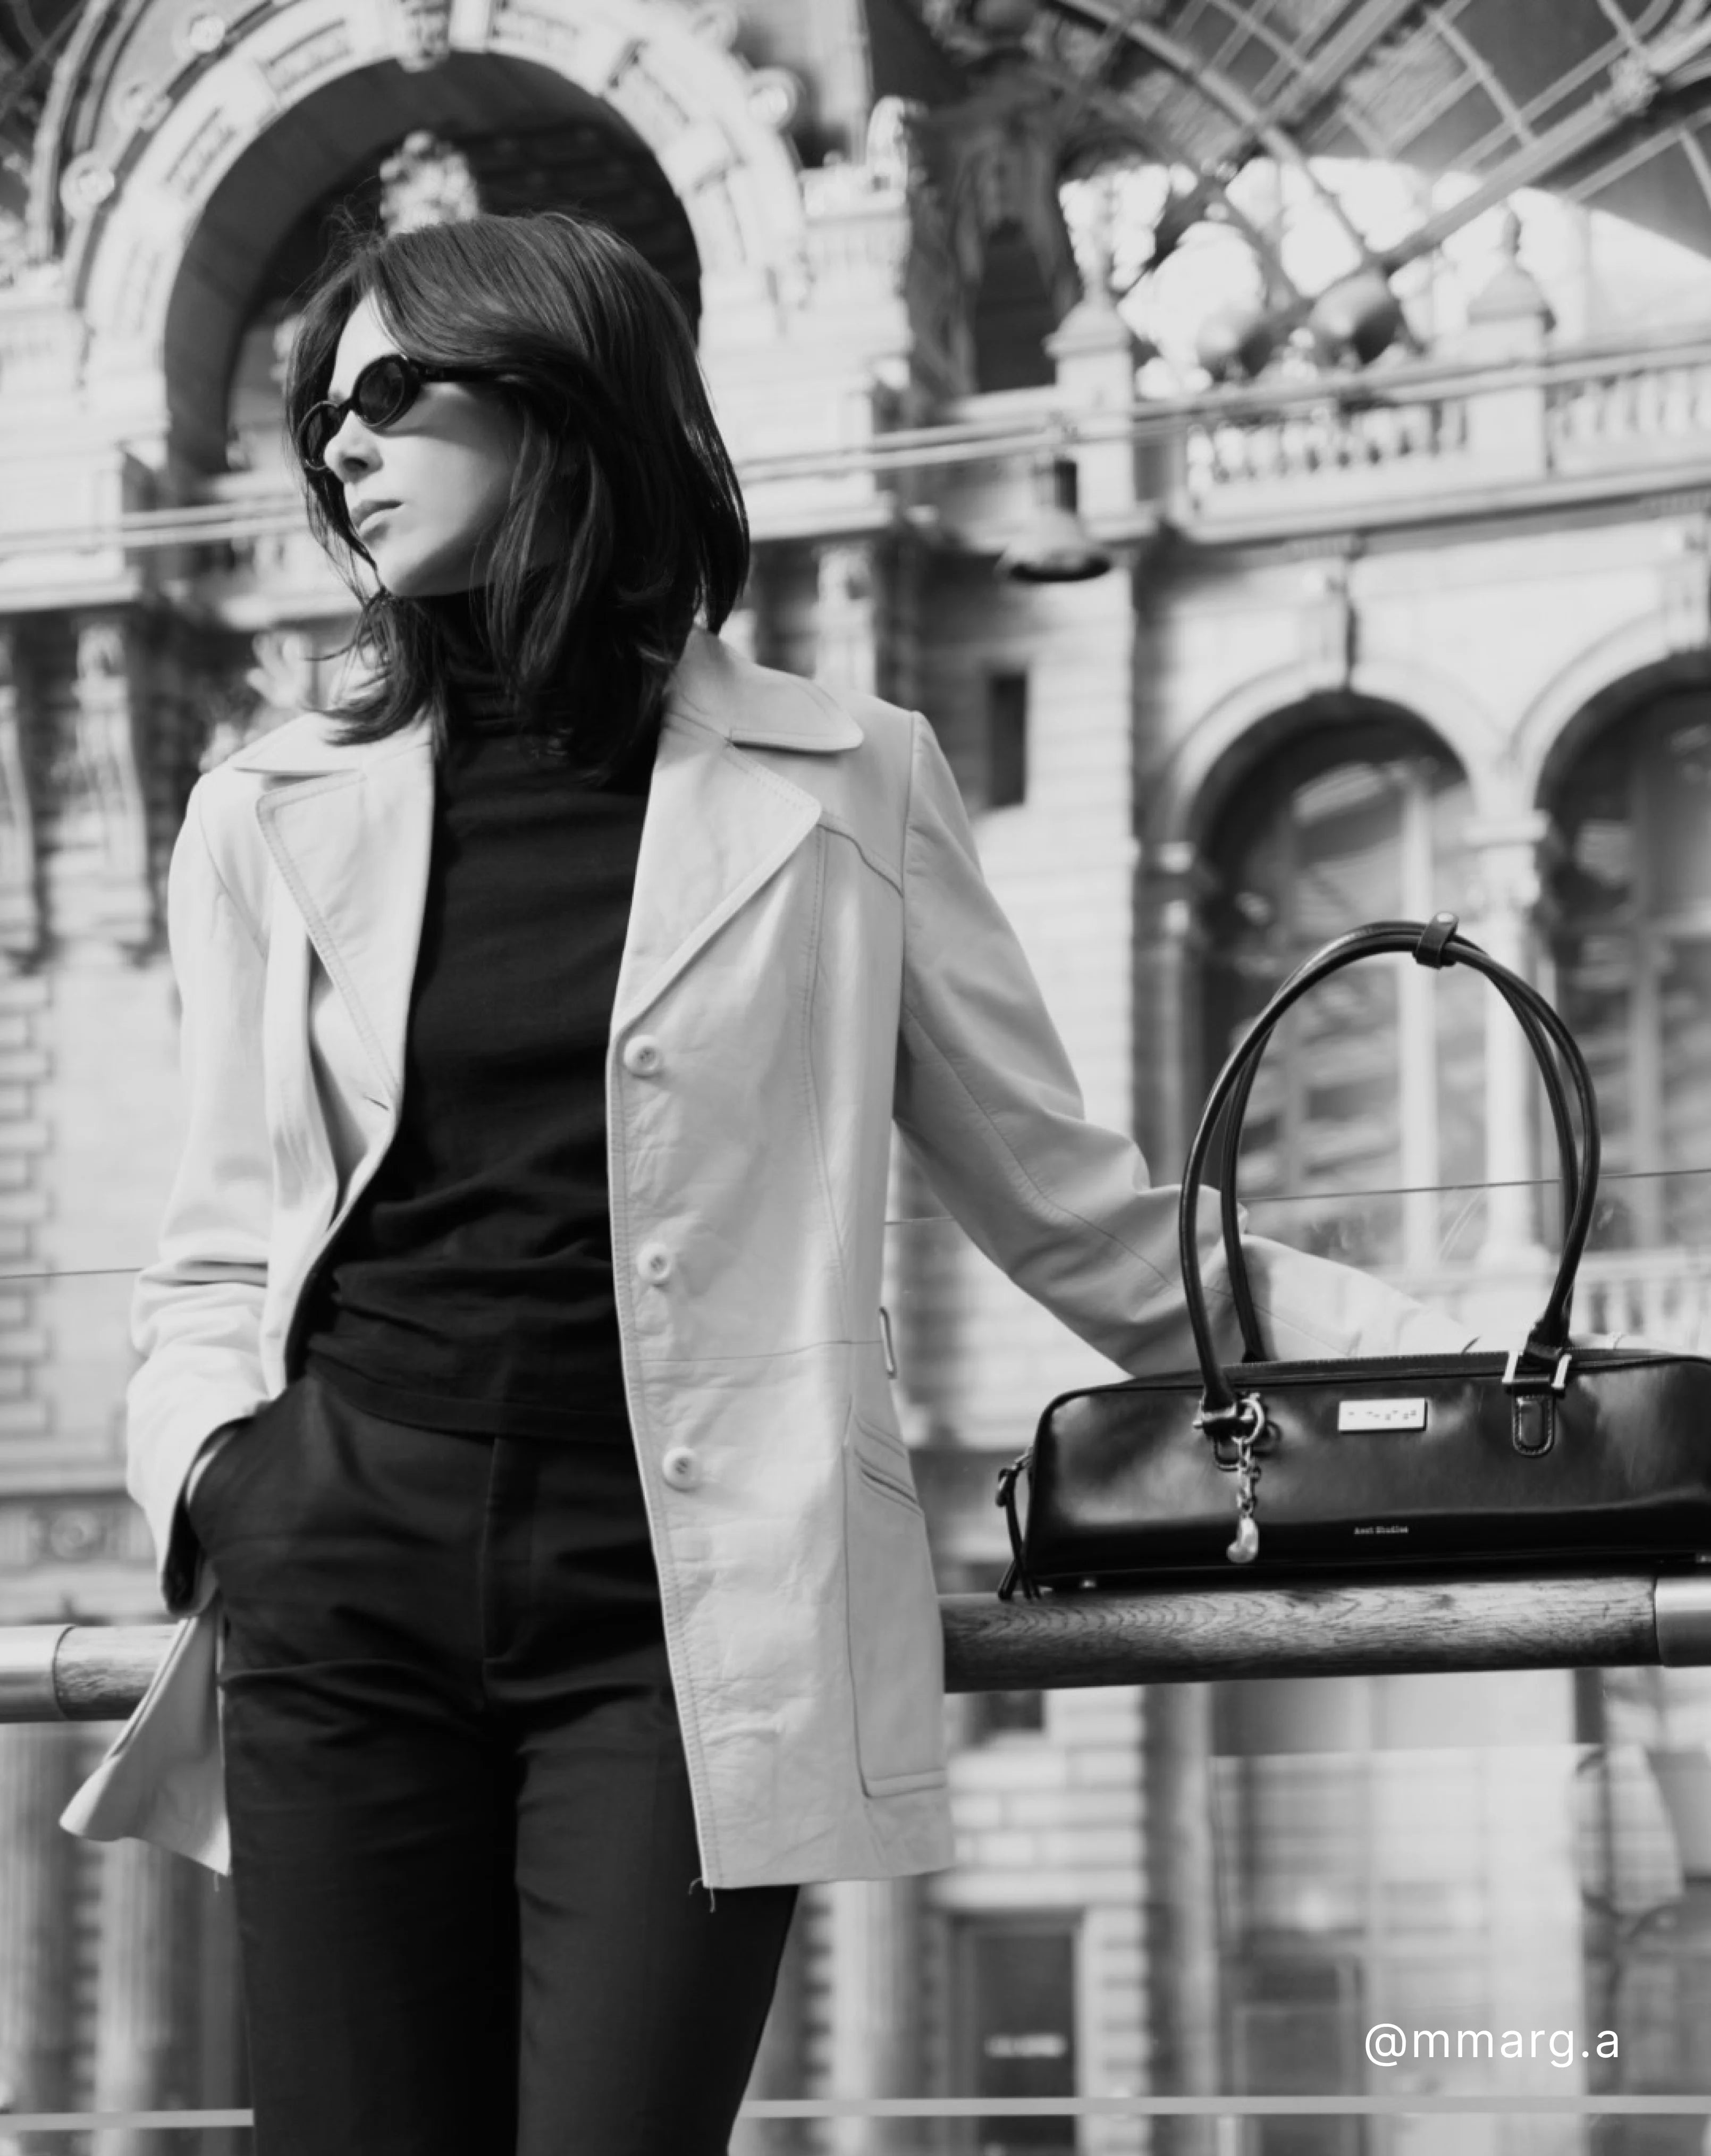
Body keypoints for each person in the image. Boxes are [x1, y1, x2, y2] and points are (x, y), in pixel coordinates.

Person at [61, 208, 1488, 2155]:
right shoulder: (263, 806)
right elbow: (219, 1243)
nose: (341, 446)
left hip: (687, 1606)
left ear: (560, 396)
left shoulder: (848, 780)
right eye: (322, 413)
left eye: (389, 392)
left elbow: (1071, 1209)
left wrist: (1477, 1377)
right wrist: (228, 1482)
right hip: (341, 1574)